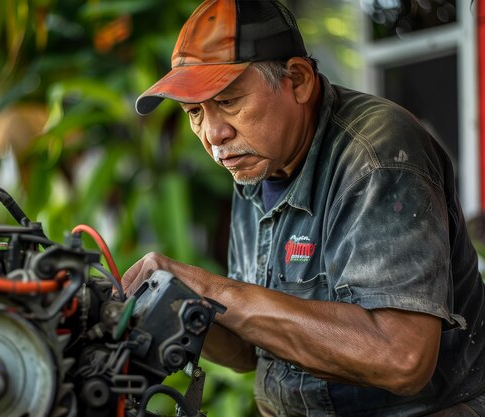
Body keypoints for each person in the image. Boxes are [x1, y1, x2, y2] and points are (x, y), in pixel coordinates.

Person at [122, 0, 485, 415]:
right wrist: (173, 302)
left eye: (228, 102)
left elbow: (401, 359)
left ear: (298, 80)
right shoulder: (258, 163)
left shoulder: (377, 156)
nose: (213, 134)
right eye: (194, 113)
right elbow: (248, 351)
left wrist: (213, 290)